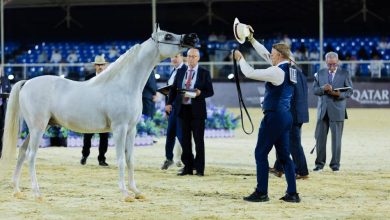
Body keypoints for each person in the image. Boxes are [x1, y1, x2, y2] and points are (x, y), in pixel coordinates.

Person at [233, 25, 300, 203]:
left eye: (272, 53)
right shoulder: (290, 65)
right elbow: (264, 54)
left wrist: (240, 59)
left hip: (274, 117)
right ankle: (292, 193)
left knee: (260, 153)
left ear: (279, 55)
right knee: (285, 156)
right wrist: (252, 40)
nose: (269, 55)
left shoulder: (276, 71)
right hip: (286, 116)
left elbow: (250, 72)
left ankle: (262, 192)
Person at [165, 48, 214, 177]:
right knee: (185, 141)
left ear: (198, 58)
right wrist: (169, 103)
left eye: (193, 56)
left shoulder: (204, 72)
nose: (191, 59)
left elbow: (210, 91)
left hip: (197, 112)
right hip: (183, 110)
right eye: (189, 56)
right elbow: (173, 89)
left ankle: (199, 169)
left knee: (198, 141)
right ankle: (188, 167)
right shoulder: (181, 71)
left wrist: (200, 93)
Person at [313, 51, 353, 172]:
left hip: (337, 111)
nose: (332, 67)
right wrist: (322, 88)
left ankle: (335, 165)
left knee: (336, 141)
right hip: (322, 112)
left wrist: (339, 94)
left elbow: (350, 92)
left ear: (338, 62)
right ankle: (319, 164)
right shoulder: (319, 73)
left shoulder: (345, 73)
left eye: (334, 64)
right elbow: (315, 90)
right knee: (320, 140)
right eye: (329, 64)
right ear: (326, 62)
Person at [270, 63, 310, 180]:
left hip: (292, 113)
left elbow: (289, 93)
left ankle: (302, 172)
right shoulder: (299, 72)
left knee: (294, 143)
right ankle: (279, 168)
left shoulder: (289, 72)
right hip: (298, 112)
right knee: (281, 140)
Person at [80, 55, 110, 166]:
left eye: (102, 65)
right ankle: (85, 155)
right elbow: (83, 93)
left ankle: (102, 158)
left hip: (104, 111)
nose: (100, 67)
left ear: (105, 65)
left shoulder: (110, 78)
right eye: (98, 65)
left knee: (104, 136)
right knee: (87, 135)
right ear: (95, 66)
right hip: (90, 111)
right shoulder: (88, 77)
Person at [161, 53, 186, 170]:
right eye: (172, 57)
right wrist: (168, 104)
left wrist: (171, 103)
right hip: (172, 108)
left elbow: (181, 91)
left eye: (176, 56)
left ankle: (188, 161)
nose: (173, 59)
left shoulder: (185, 70)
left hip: (180, 108)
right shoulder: (174, 71)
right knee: (170, 134)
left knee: (181, 135)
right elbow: (172, 91)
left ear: (182, 57)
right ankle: (169, 158)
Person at [0, 71, 12, 158]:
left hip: (2, 109)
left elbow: (10, 93)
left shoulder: (5, 79)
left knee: (2, 131)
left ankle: (1, 153)